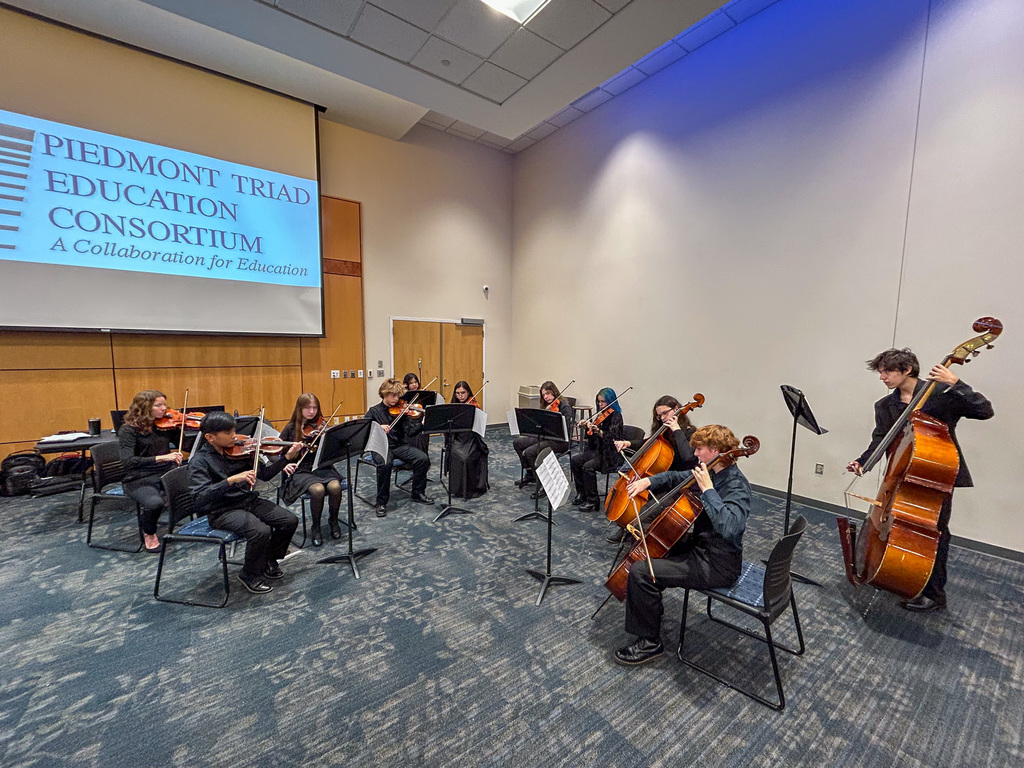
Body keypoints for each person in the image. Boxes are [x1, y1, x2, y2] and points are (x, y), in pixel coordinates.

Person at [846, 347, 994, 612]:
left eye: (887, 371)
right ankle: (897, 571)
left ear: (906, 370)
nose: (882, 377)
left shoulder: (941, 394)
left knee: (934, 533)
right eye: (880, 372)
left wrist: (957, 384)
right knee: (893, 527)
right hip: (900, 474)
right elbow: (881, 437)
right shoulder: (884, 405)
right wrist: (863, 462)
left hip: (934, 475)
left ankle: (935, 594)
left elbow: (984, 411)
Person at [614, 425, 752, 666]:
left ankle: (650, 643)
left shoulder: (736, 485)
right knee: (650, 540)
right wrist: (649, 481)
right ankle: (649, 605)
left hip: (718, 564)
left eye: (699, 449)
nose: (695, 454)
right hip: (701, 546)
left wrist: (708, 490)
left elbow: (731, 528)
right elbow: (676, 477)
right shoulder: (711, 470)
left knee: (641, 572)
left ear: (715, 450)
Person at [188, 411, 302, 595]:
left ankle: (269, 560)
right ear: (210, 437)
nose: (234, 436)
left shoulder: (241, 450)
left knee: (289, 520)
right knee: (260, 531)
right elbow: (200, 498)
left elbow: (265, 474)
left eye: (234, 431)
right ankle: (249, 574)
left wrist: (286, 458)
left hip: (246, 500)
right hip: (221, 510)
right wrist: (230, 481)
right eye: (228, 433)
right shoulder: (199, 461)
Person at [607, 395, 699, 543]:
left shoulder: (690, 433)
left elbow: (688, 458)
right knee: (632, 487)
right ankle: (625, 526)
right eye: (659, 415)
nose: (662, 418)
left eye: (665, 413)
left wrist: (676, 429)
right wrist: (628, 443)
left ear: (676, 409)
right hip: (660, 477)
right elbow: (648, 443)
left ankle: (644, 537)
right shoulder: (664, 431)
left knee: (646, 511)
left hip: (679, 483)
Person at [117, 390, 183, 552]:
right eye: (158, 405)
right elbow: (128, 461)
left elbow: (186, 446)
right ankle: (149, 534)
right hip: (138, 478)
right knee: (155, 503)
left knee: (202, 486)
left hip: (166, 474)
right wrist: (162, 458)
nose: (164, 409)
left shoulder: (164, 426)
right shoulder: (128, 431)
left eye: (164, 405)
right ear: (144, 407)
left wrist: (189, 428)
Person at [278, 393, 343, 547]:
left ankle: (333, 521)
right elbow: (276, 453)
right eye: (308, 408)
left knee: (335, 486)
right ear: (300, 409)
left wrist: (328, 436)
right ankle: (316, 527)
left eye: (315, 408)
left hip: (321, 466)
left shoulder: (321, 426)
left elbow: (332, 450)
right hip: (300, 470)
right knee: (318, 489)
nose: (312, 411)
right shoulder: (290, 428)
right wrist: (285, 461)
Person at [365, 377, 434, 517]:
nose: (396, 399)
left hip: (399, 446)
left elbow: (410, 432)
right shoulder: (374, 411)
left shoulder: (402, 411)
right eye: (393, 395)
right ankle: (381, 502)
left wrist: (422, 424)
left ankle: (418, 493)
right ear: (384, 393)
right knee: (385, 464)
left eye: (398, 395)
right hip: (381, 447)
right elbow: (363, 429)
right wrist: (378, 427)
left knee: (422, 458)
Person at [513, 380, 574, 490]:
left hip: (560, 441)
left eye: (548, 393)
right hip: (545, 436)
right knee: (517, 443)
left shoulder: (565, 407)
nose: (546, 397)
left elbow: (566, 428)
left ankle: (542, 482)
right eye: (543, 395)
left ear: (554, 392)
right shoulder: (546, 406)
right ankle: (530, 473)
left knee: (530, 452)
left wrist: (554, 417)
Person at [570, 388, 623, 511]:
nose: (600, 405)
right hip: (598, 451)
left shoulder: (616, 416)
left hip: (610, 454)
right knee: (575, 460)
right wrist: (587, 428)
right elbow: (592, 440)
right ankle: (582, 493)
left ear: (610, 401)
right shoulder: (600, 415)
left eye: (603, 402)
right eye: (598, 402)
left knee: (588, 466)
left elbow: (613, 440)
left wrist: (599, 431)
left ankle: (593, 500)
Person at [446, 380, 489, 499]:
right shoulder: (452, 406)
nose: (460, 396)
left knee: (467, 457)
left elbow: (479, 428)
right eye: (457, 393)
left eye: (463, 393)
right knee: (457, 455)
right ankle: (457, 488)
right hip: (457, 438)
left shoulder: (474, 405)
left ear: (468, 392)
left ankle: (472, 488)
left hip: (472, 438)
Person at [403, 373, 430, 453]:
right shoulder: (404, 395)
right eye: (411, 383)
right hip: (408, 422)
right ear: (407, 385)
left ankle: (423, 457)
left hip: (421, 420)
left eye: (416, 382)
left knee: (422, 436)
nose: (414, 385)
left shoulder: (422, 394)